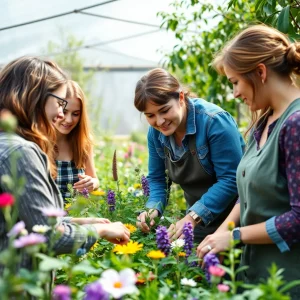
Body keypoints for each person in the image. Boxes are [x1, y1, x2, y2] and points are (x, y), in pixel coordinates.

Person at [196, 25, 300, 298]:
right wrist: (217, 236)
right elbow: (248, 196)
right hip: (255, 275)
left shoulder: (295, 124)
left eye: (234, 82)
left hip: (287, 281)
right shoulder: (264, 122)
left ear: (261, 72)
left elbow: (298, 219)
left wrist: (235, 236)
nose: (234, 94)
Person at [0, 56, 130, 271]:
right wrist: (101, 231)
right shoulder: (21, 151)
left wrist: (79, 223)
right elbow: (52, 238)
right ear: (35, 95)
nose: (62, 114)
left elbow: (28, 224)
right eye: (60, 103)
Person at [134, 68, 245, 243]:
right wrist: (152, 210)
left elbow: (231, 179)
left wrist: (192, 217)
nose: (160, 121)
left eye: (164, 110)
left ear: (180, 98)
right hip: (198, 222)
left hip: (236, 221)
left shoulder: (214, 122)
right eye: (150, 115)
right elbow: (157, 178)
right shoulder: (155, 133)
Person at [54, 80, 99, 201]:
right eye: (64, 111)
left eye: (75, 114)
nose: (69, 120)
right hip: (51, 216)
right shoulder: (40, 142)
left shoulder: (83, 142)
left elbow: (94, 178)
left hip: (80, 214)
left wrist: (92, 183)